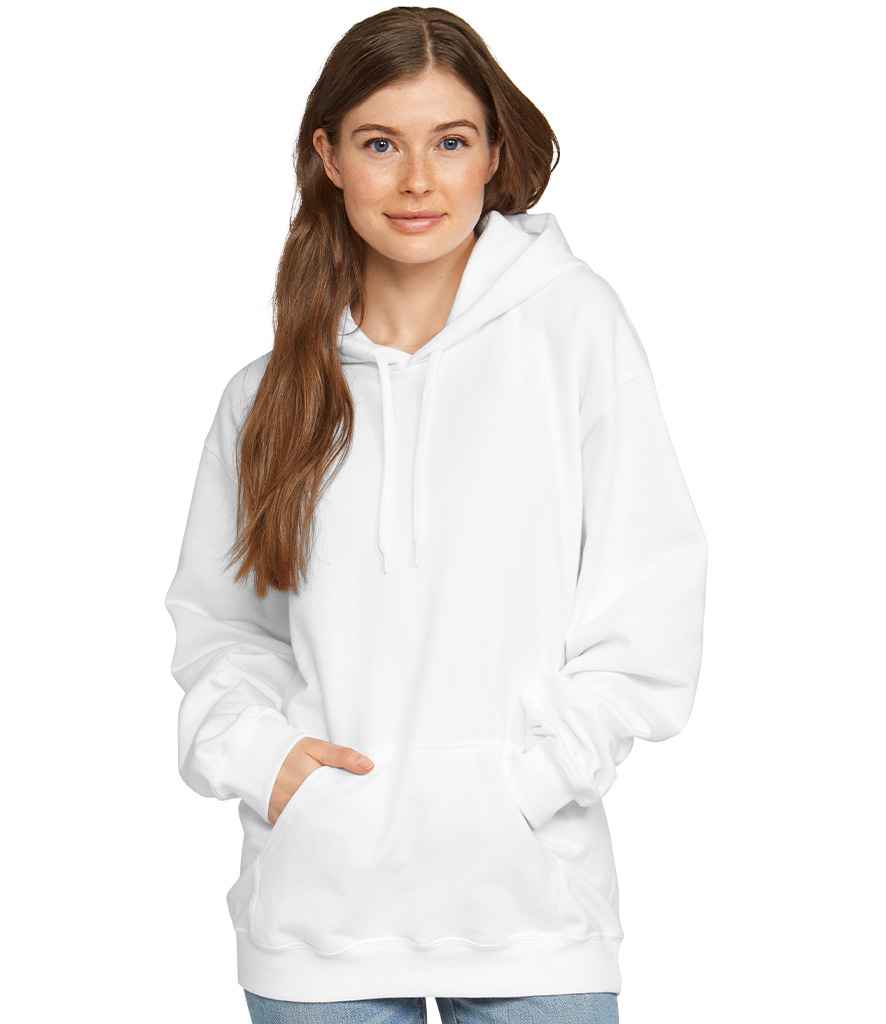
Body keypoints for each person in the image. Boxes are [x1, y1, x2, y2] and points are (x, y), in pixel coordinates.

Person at [164, 7, 708, 1023]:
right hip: (316, 921)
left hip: (532, 916)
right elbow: (222, 630)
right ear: (328, 157)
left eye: (450, 142)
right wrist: (266, 764)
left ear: (493, 155)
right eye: (381, 144)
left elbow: (650, 601)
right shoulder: (266, 395)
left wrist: (528, 782)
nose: (418, 180)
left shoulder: (573, 333)